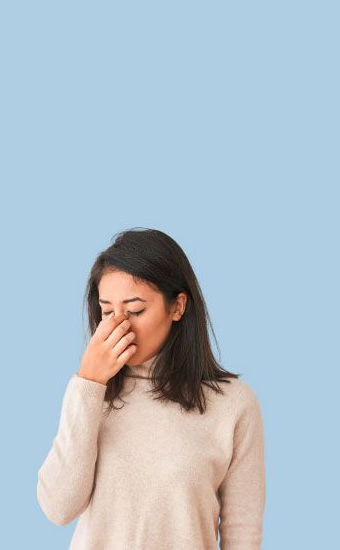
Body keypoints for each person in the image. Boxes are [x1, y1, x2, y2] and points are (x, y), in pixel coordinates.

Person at [36, 228, 265, 550]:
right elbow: (58, 509)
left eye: (135, 310)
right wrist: (88, 383)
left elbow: (243, 534)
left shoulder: (233, 403)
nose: (118, 325)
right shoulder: (90, 395)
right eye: (107, 311)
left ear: (178, 307)